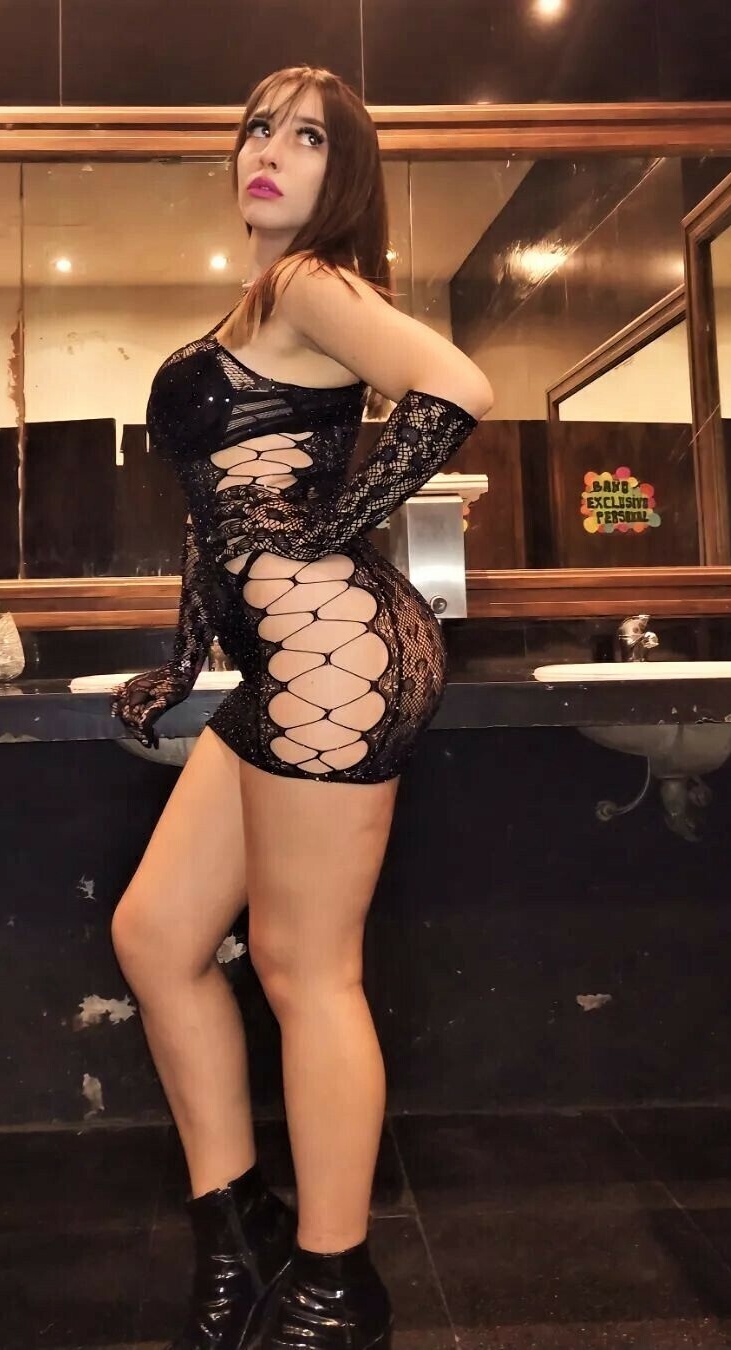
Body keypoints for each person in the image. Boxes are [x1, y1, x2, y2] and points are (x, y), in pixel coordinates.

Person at [110, 64, 493, 1350]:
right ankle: (240, 1230)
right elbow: (216, 520)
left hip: (335, 660)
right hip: (288, 663)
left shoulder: (310, 282)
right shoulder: (260, 298)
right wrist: (188, 661)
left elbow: (459, 387)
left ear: (346, 172)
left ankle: (336, 1285)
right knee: (157, 934)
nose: (270, 150)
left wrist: (334, 523)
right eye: (258, 129)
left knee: (303, 967)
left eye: (308, 136)